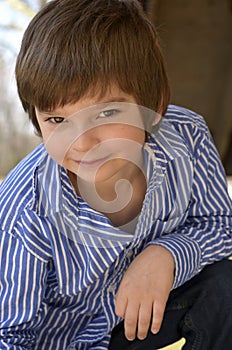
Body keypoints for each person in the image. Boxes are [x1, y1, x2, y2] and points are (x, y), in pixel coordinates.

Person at [0, 1, 232, 349]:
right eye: (57, 120)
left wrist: (166, 253)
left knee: (223, 287)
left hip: (133, 320)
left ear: (154, 106)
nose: (83, 143)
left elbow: (218, 224)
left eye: (106, 112)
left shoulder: (188, 138)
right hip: (62, 341)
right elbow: (10, 336)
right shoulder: (26, 209)